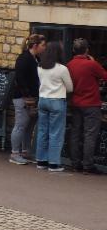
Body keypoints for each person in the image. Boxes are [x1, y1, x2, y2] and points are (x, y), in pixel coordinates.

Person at [66, 38, 107, 174]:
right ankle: (88, 165)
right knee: (90, 134)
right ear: (87, 50)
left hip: (76, 103)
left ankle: (74, 163)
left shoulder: (70, 64)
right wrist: (94, 62)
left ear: (74, 50)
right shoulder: (91, 65)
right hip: (91, 104)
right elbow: (105, 76)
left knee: (75, 133)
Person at [35, 40, 72, 173]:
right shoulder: (62, 69)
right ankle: (54, 163)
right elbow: (70, 87)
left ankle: (41, 160)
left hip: (43, 100)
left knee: (42, 131)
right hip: (57, 101)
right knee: (56, 133)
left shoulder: (40, 66)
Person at [9, 34, 45, 165]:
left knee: (29, 126)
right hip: (23, 97)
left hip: (32, 96)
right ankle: (14, 153)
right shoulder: (24, 59)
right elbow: (20, 79)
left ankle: (25, 151)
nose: (44, 48)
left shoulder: (35, 59)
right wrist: (27, 95)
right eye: (42, 45)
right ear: (35, 46)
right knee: (20, 125)